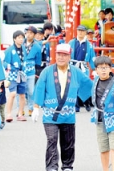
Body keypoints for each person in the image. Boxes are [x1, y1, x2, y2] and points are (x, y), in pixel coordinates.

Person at [32, 43, 93, 171]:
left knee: (68, 142)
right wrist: (36, 107)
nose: (61, 57)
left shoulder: (76, 72)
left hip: (68, 115)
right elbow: (39, 89)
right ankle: (52, 167)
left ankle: (67, 166)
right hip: (51, 114)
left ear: (69, 56)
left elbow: (89, 85)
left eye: (64, 55)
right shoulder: (47, 71)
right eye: (59, 54)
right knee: (52, 140)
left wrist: (104, 81)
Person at [68, 24, 96, 112]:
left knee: (85, 85)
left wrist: (94, 69)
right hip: (73, 65)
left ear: (85, 33)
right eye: (79, 31)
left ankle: (87, 102)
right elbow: (67, 55)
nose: (80, 33)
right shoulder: (71, 43)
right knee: (74, 85)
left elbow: (92, 57)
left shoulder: (89, 45)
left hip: (83, 66)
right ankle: (76, 106)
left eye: (82, 31)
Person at [4, 30, 27, 122]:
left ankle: (20, 113)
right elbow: (5, 62)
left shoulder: (24, 48)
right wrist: (10, 68)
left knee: (22, 95)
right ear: (14, 39)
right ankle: (9, 114)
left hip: (22, 73)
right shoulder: (9, 50)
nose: (21, 40)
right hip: (13, 73)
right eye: (19, 38)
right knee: (13, 94)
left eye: (22, 38)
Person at [23, 26, 42, 116]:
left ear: (34, 35)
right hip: (21, 69)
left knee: (31, 90)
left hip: (31, 70)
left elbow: (38, 60)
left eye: (31, 33)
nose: (29, 35)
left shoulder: (37, 47)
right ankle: (21, 108)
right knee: (21, 90)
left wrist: (37, 70)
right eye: (27, 33)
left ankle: (30, 108)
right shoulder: (20, 43)